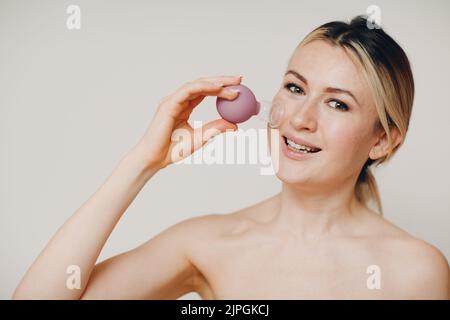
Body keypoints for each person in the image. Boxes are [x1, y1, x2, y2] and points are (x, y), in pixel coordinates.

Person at [13, 15, 449, 299]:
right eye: (295, 88)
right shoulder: (206, 244)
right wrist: (142, 163)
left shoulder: (414, 270)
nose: (299, 118)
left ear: (383, 140)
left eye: (337, 104)